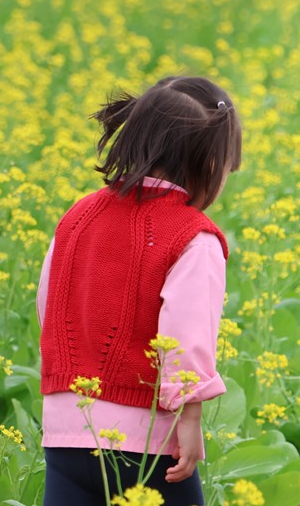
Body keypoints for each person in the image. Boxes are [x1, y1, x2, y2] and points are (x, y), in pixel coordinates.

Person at [37, 75, 242, 505]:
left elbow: (49, 307)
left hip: (65, 431)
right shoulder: (193, 236)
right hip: (146, 441)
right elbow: (185, 339)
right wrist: (190, 417)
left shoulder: (78, 216)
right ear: (209, 165)